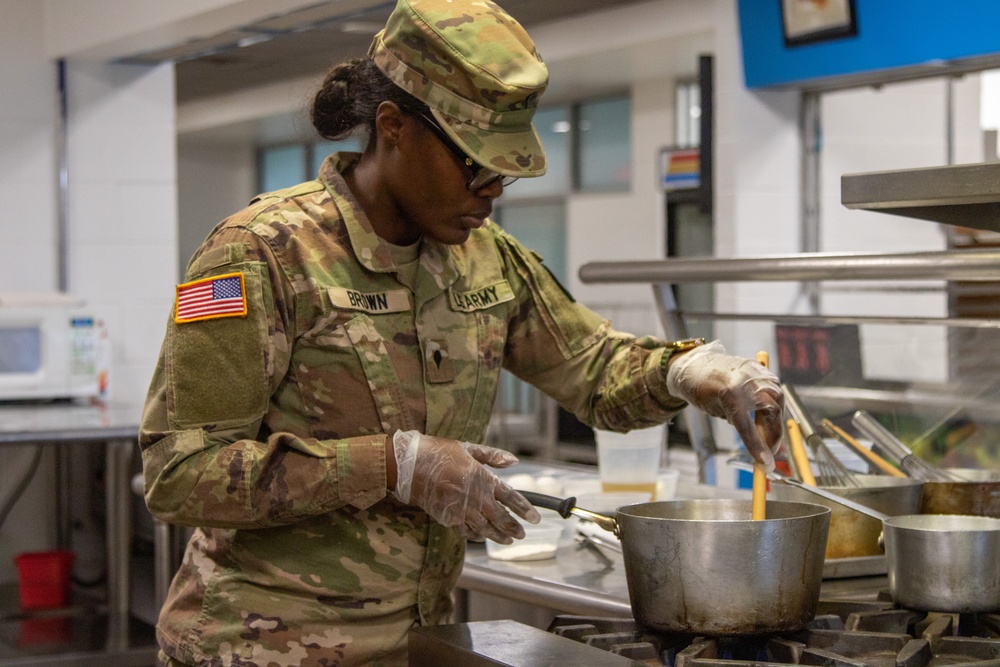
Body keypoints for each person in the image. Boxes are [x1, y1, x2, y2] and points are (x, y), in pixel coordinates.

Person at [138, 0, 783, 665]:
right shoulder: (262, 252)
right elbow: (178, 472)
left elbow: (591, 367)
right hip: (253, 649)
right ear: (393, 128)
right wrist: (395, 464)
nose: (491, 190)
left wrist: (690, 372)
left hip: (421, 645)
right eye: (475, 163)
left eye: (504, 171)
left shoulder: (485, 257)